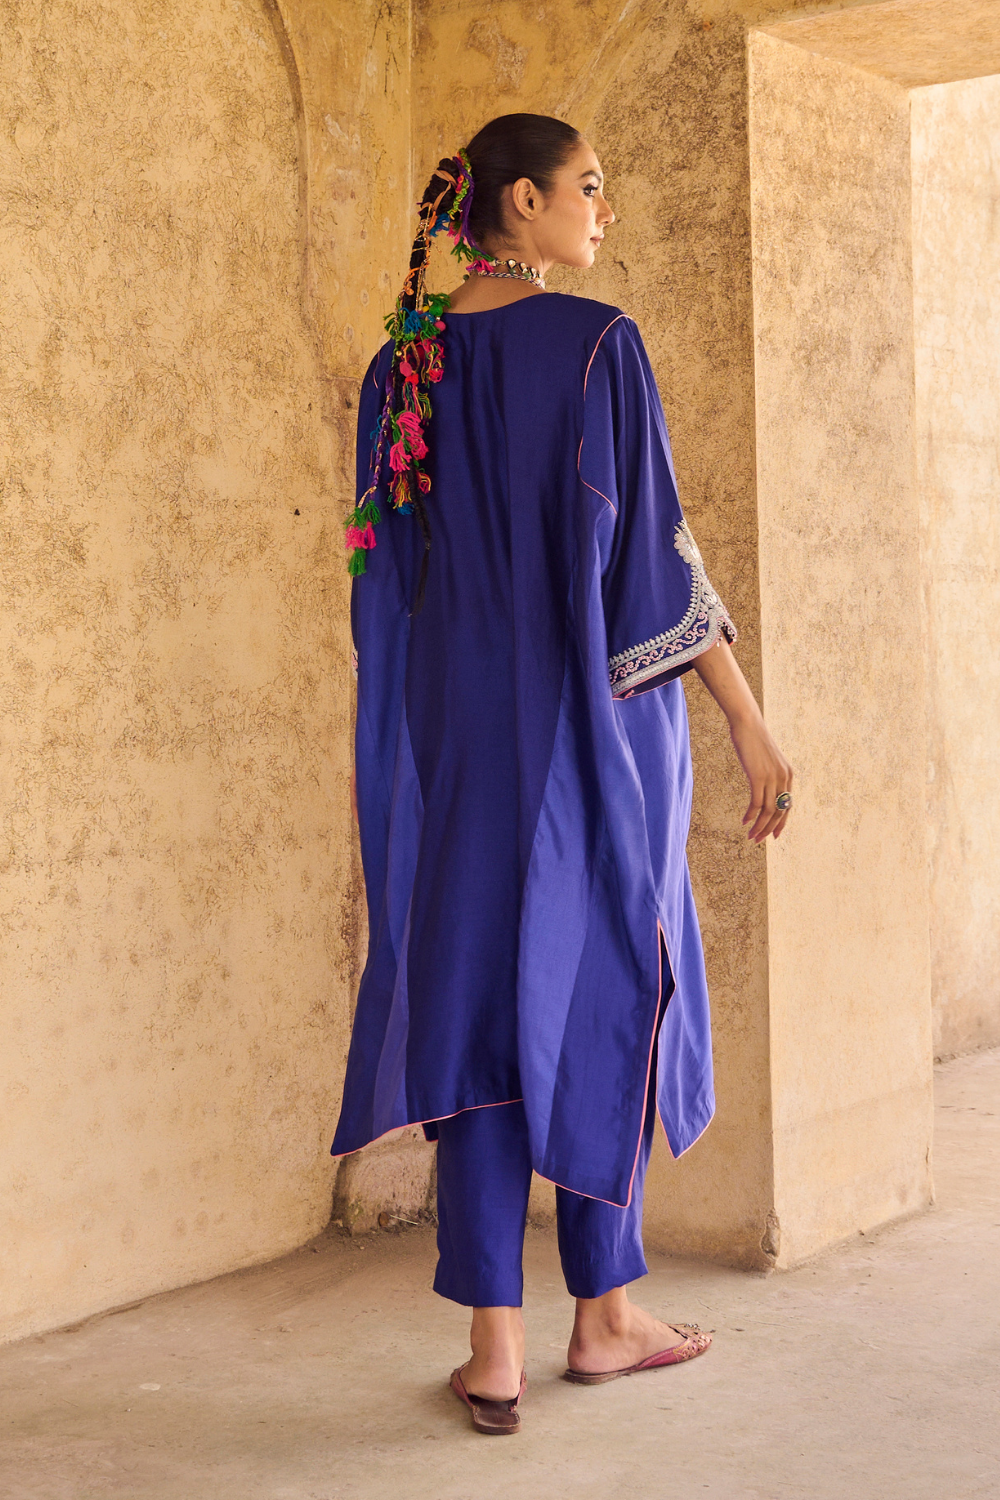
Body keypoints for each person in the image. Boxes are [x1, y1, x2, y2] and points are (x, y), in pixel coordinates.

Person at [332, 113, 792, 1436]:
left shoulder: (400, 369)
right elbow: (653, 562)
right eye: (588, 187)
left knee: (476, 1000)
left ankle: (494, 1350)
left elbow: (387, 593)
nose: (603, 209)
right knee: (607, 986)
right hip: (593, 737)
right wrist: (746, 718)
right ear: (522, 203)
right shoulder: (598, 345)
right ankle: (604, 1316)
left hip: (458, 745)